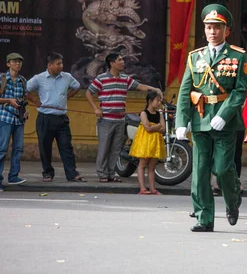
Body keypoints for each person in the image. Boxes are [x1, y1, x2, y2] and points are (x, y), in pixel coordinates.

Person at [176, 4, 247, 232]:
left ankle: (233, 198)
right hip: (200, 120)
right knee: (200, 171)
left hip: (225, 123)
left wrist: (225, 114)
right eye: (208, 27)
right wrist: (181, 122)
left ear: (226, 31)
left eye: (217, 27)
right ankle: (204, 218)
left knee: (223, 169)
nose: (212, 32)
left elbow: (240, 90)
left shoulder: (237, 56)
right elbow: (186, 90)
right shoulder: (194, 57)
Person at [86, 53, 162, 182]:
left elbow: (140, 86)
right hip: (106, 120)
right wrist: (96, 108)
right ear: (112, 63)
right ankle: (102, 174)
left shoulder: (125, 79)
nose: (122, 62)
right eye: (120, 60)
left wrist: (154, 89)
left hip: (120, 120)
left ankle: (111, 173)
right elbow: (89, 92)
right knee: (104, 148)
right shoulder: (101, 79)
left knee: (116, 148)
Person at [27, 52, 86, 182]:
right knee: (45, 147)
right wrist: (35, 100)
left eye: (61, 63)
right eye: (58, 63)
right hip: (45, 118)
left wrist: (67, 97)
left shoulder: (67, 77)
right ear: (50, 65)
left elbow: (77, 86)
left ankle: (72, 173)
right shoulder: (39, 78)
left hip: (61, 118)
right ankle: (47, 172)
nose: (61, 66)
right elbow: (25, 89)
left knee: (66, 146)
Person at [0, 53, 28, 190]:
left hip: (18, 119)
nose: (17, 64)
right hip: (4, 118)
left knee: (18, 148)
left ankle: (13, 176)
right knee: (2, 149)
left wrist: (25, 110)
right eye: (14, 61)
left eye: (19, 62)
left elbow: (23, 99)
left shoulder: (23, 80)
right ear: (8, 64)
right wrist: (9, 101)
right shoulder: (2, 78)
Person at [129, 91, 165, 195]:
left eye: (160, 101)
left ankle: (153, 188)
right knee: (142, 164)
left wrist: (155, 126)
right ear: (150, 101)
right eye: (157, 100)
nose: (159, 103)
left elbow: (163, 129)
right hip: (145, 141)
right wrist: (157, 126)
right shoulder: (144, 113)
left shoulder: (159, 114)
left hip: (155, 142)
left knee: (152, 166)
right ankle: (142, 188)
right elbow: (147, 128)